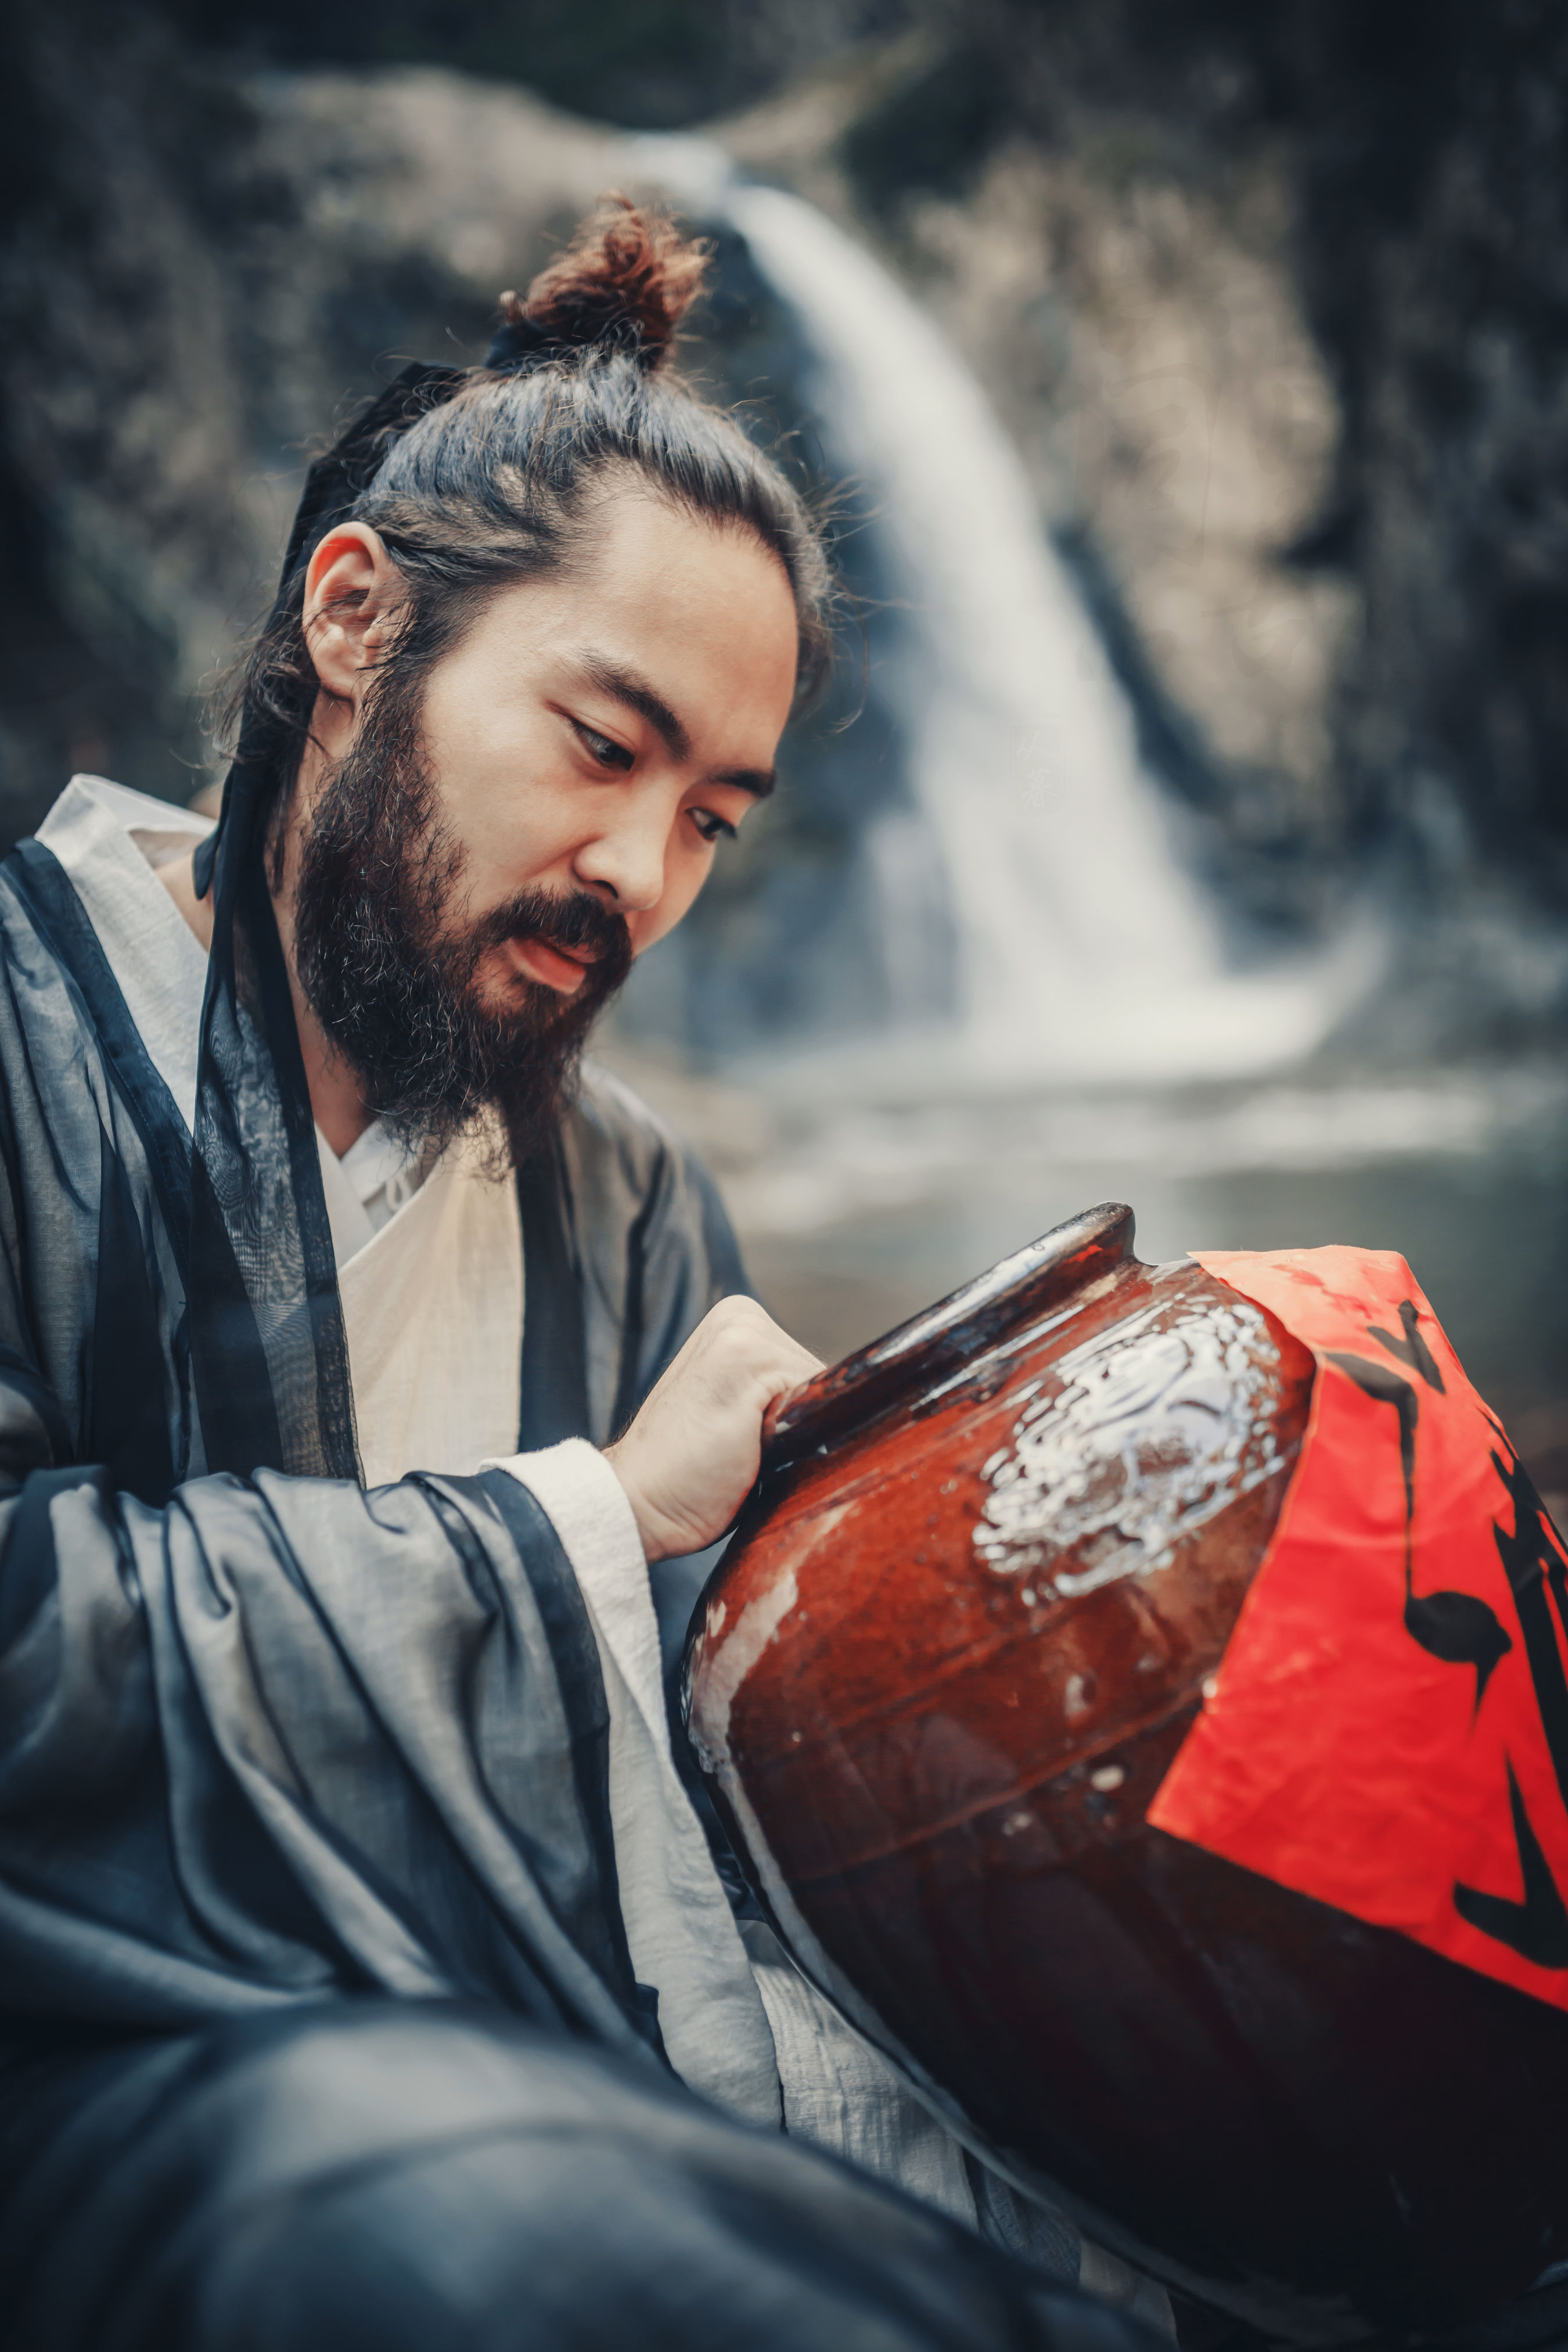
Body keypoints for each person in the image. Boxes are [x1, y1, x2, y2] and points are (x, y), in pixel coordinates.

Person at [0, 198, 1168, 2350]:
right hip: (116, 2103)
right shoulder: (22, 1041)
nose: (640, 875)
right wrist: (591, 1524)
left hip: (550, 2064)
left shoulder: (630, 1209)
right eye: (603, 744)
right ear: (357, 622)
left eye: (717, 816)